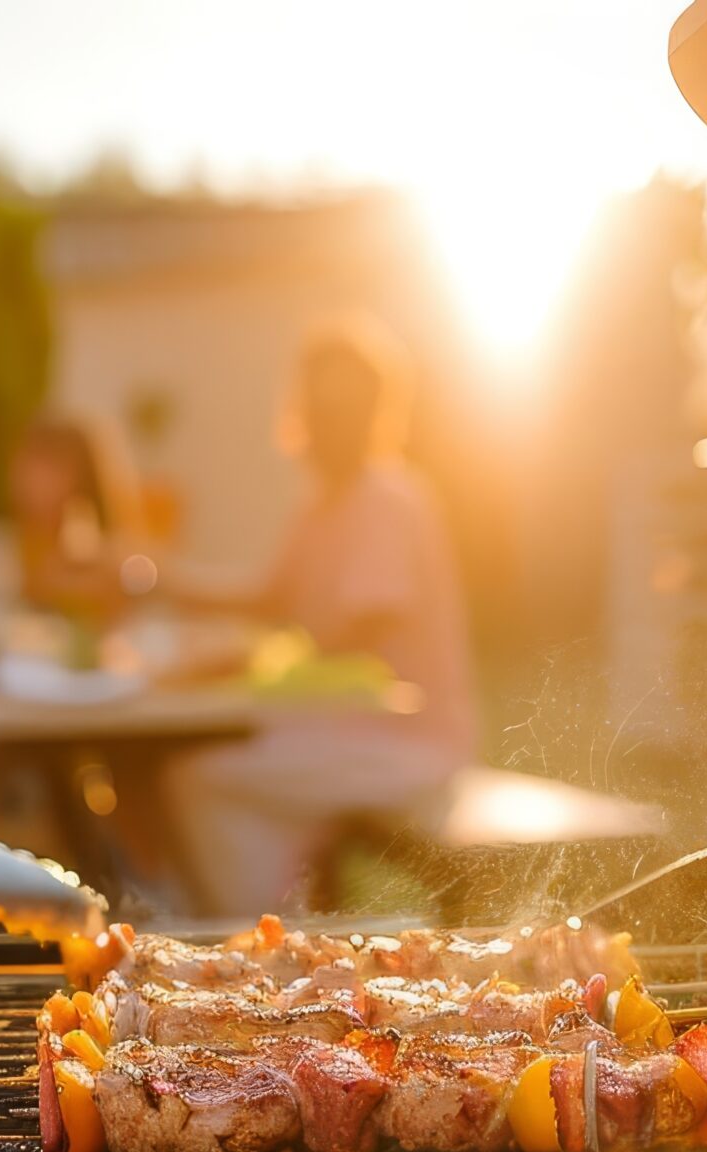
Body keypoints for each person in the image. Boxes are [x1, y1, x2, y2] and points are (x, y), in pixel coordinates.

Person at [166, 316, 481, 914]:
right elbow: (268, 598)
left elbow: (355, 634)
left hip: (407, 746)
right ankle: (272, 923)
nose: (331, 421)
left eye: (348, 407)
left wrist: (250, 663)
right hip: (342, 735)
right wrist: (155, 579)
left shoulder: (386, 500)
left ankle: (256, 932)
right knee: (212, 771)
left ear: (376, 413)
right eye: (321, 406)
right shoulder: (323, 505)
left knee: (198, 779)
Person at [11, 411, 152, 618]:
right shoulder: (11, 540)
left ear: (81, 475)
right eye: (30, 465)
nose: (36, 480)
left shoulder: (102, 543)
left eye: (52, 468)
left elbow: (135, 584)